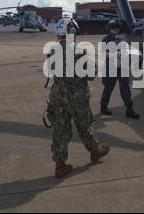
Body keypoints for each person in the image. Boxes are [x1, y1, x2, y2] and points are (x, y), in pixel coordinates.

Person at [46, 18, 110, 178]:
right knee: (83, 126)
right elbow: (90, 74)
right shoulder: (79, 51)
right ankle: (95, 151)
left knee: (61, 129)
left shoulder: (52, 50)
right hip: (76, 98)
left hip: (58, 97)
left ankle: (59, 165)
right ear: (72, 32)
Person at [100, 19, 140, 119]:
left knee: (125, 88)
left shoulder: (121, 38)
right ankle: (103, 107)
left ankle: (129, 109)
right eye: (113, 28)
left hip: (122, 66)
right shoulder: (106, 39)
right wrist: (114, 55)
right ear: (109, 29)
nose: (116, 29)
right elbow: (104, 53)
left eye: (117, 27)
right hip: (112, 67)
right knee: (108, 88)